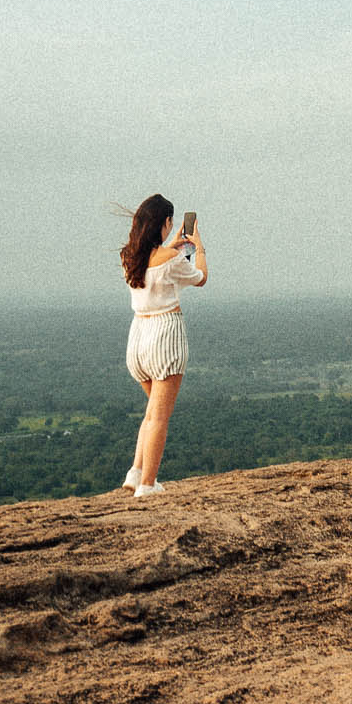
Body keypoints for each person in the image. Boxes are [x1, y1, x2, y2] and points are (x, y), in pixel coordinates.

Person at [119, 193, 207, 497]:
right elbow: (200, 278)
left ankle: (136, 471)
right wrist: (199, 248)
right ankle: (147, 485)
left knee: (151, 412)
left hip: (138, 339)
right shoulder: (171, 260)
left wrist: (173, 247)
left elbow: (156, 264)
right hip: (165, 338)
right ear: (166, 223)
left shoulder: (129, 256)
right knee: (159, 417)